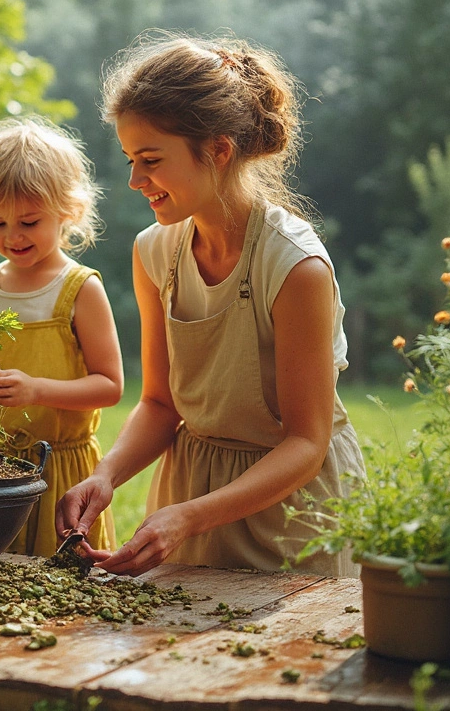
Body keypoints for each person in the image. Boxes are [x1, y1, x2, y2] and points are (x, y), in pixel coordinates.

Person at [56, 33, 364, 577]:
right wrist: (105, 475)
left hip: (293, 514)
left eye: (150, 159)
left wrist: (191, 517)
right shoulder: (155, 251)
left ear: (218, 151)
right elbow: (158, 403)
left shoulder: (295, 266)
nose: (133, 180)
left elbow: (306, 441)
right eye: (130, 159)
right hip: (189, 492)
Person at [0, 117, 124, 557]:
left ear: (67, 211)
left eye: (29, 222)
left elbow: (110, 387)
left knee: (62, 593)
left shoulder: (80, 288)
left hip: (61, 473)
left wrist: (36, 391)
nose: (12, 236)